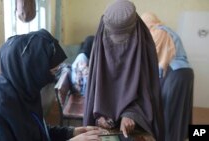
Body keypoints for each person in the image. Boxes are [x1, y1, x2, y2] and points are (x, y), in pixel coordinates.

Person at [0, 29, 103, 141]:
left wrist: (71, 132)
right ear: (31, 70)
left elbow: (38, 132)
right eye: (52, 72)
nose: (53, 77)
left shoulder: (26, 92)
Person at [83, 0, 164, 141]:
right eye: (112, 37)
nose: (118, 44)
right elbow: (97, 85)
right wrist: (100, 113)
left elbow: (146, 90)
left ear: (135, 29)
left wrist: (131, 114)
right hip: (104, 121)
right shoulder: (100, 42)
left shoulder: (144, 46)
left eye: (125, 38)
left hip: (137, 123)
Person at [141, 12, 194, 141]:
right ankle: (179, 136)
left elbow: (153, 56)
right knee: (180, 109)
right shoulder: (166, 30)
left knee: (169, 109)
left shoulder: (159, 32)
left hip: (175, 73)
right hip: (184, 73)